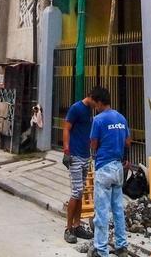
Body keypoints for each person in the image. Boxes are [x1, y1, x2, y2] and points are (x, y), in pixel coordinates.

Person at [89, 86, 129, 257]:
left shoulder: (98, 120)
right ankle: (121, 246)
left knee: (102, 211)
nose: (94, 107)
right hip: (118, 168)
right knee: (118, 209)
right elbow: (128, 142)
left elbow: (93, 144)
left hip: (104, 168)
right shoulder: (121, 118)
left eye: (94, 103)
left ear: (99, 102)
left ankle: (101, 250)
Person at [61, 91, 98, 243]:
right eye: (97, 103)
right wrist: (66, 150)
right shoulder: (76, 108)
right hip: (75, 155)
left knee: (81, 192)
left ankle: (77, 225)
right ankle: (68, 228)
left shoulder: (90, 111)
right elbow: (66, 128)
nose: (97, 107)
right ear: (91, 98)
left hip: (85, 155)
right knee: (76, 192)